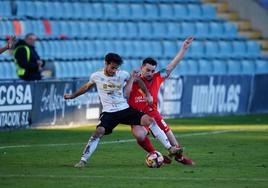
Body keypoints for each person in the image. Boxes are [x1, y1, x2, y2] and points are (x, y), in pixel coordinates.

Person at [64, 53, 180, 168]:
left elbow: (138, 80)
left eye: (116, 68)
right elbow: (86, 87)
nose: (114, 70)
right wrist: (72, 96)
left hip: (124, 109)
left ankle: (170, 148)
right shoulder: (96, 76)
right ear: (106, 63)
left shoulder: (123, 74)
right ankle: (83, 160)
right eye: (112, 67)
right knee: (99, 131)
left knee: (149, 120)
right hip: (109, 113)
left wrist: (147, 94)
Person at [126, 37, 195, 165]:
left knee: (169, 134)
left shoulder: (158, 77)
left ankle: (180, 157)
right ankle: (157, 154)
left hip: (153, 113)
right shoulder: (133, 80)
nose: (150, 73)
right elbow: (125, 92)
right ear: (142, 68)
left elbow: (172, 65)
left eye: (152, 70)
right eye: (148, 70)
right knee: (140, 136)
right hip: (137, 116)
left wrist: (183, 48)